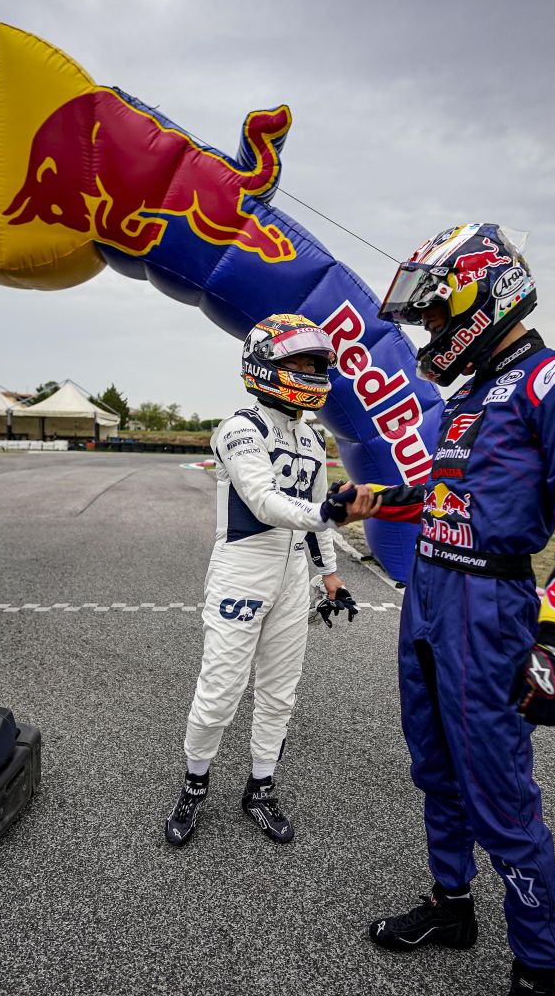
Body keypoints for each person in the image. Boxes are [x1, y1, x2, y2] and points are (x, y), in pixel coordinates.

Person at [359, 224, 555, 996]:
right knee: (433, 770)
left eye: (434, 314)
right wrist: (366, 498)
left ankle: (537, 968)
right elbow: (441, 491)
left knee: (500, 798)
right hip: (428, 595)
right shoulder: (467, 396)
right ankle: (451, 906)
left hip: (489, 605)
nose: (428, 330)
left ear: (481, 295)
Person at [165, 313, 378, 847]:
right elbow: (264, 502)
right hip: (242, 570)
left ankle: (260, 789)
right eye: (300, 362)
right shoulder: (240, 427)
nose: (313, 372)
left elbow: (316, 515)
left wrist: (330, 577)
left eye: (317, 363)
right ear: (263, 364)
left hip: (293, 575)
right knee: (220, 692)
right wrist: (326, 513)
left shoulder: (312, 437)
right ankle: (194, 786)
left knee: (280, 693)